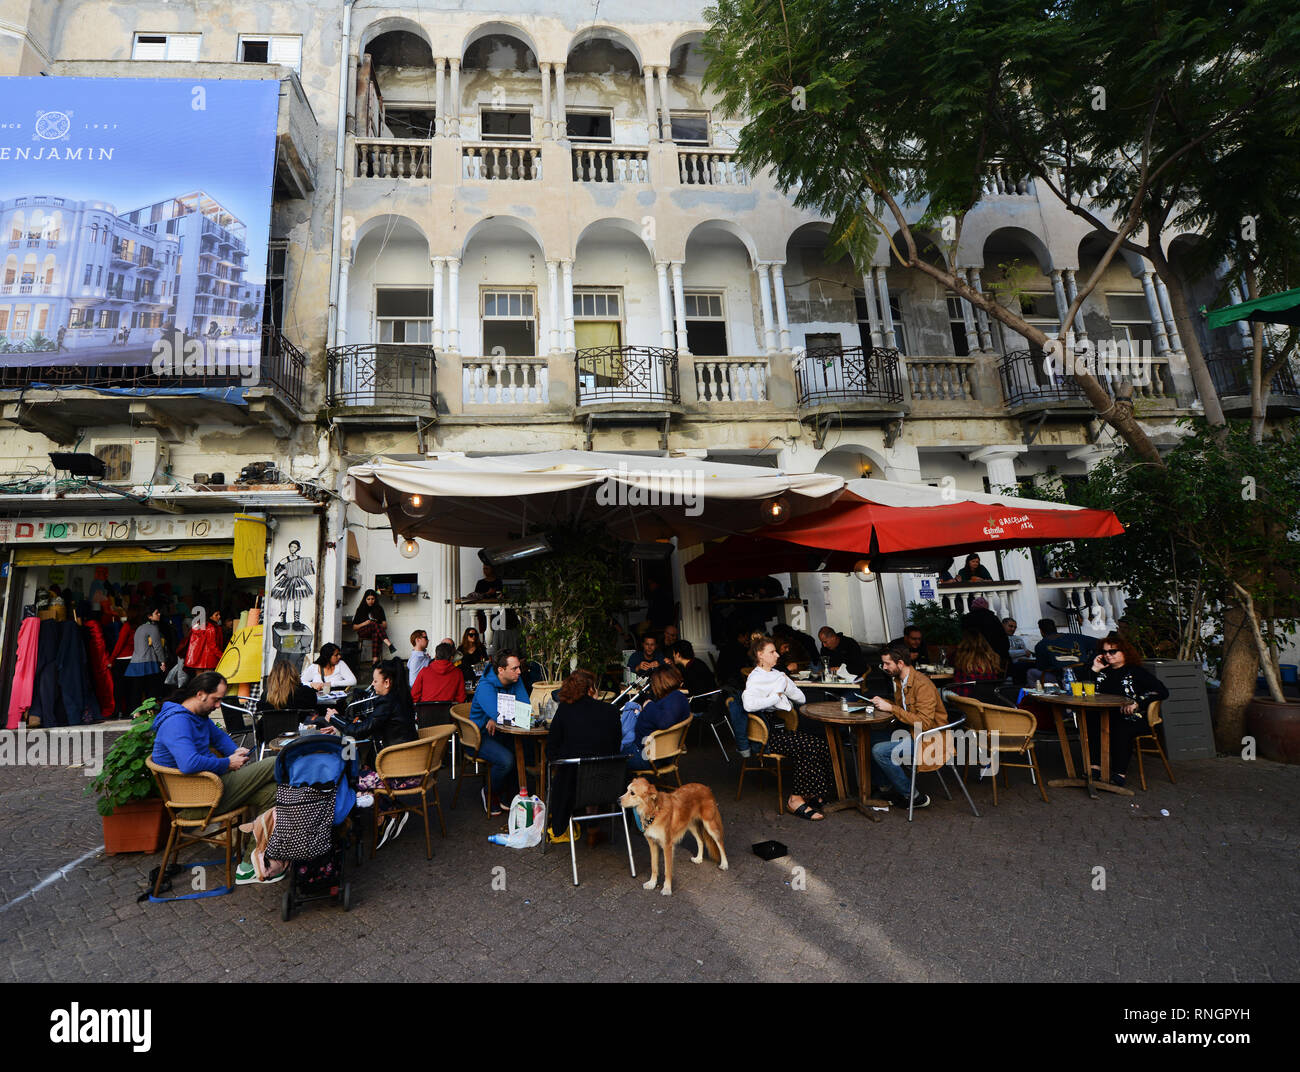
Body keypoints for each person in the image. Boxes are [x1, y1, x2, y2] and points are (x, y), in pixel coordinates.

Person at [151, 671, 283, 884]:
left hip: (211, 789)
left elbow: (220, 737)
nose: (219, 705)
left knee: (276, 793)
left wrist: (235, 751)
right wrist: (228, 763)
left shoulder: (196, 716)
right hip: (198, 800)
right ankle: (313, 786)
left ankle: (251, 865)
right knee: (275, 763)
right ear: (201, 694)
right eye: (217, 699)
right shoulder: (177, 722)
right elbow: (188, 763)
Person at [741, 636, 835, 820]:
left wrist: (784, 684)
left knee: (820, 744)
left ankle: (812, 793)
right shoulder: (755, 677)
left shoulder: (777, 674)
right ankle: (795, 800)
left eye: (776, 651)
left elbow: (801, 698)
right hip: (767, 733)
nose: (777, 654)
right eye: (772, 652)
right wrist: (775, 697)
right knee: (808, 747)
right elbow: (748, 705)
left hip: (781, 727)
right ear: (760, 655)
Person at [869, 644, 949, 810]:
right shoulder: (900, 680)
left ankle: (912, 796)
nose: (884, 667)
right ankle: (885, 787)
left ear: (900, 663)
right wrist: (884, 703)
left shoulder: (922, 684)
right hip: (911, 733)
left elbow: (925, 723)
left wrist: (891, 708)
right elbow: (905, 709)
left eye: (887, 664)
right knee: (872, 738)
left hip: (929, 738)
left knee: (880, 750)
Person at [546, 669, 622, 842]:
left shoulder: (565, 710)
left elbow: (551, 748)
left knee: (570, 767)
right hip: (609, 782)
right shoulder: (611, 711)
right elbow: (615, 746)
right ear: (590, 689)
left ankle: (563, 822)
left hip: (572, 785)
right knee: (591, 765)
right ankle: (593, 826)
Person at [1085, 632, 1170, 787]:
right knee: (1091, 720)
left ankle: (1119, 773)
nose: (1108, 655)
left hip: (1132, 716)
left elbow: (1161, 691)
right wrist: (1094, 669)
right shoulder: (1102, 671)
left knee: (1121, 727)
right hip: (1105, 714)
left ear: (1125, 652)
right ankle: (1095, 767)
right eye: (1104, 652)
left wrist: (1138, 703)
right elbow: (1087, 690)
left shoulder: (1136, 671)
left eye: (1112, 651)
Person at [467, 650, 531, 814]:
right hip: (478, 736)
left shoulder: (515, 679)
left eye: (519, 668)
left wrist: (497, 717)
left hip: (502, 732)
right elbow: (500, 714)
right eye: (515, 668)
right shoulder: (485, 686)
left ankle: (509, 792)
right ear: (501, 670)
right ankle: (490, 792)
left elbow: (525, 708)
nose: (519, 672)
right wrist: (497, 716)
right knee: (507, 760)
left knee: (527, 750)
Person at [626, 664, 690, 762]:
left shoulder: (675, 698)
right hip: (652, 752)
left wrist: (649, 705)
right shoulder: (675, 698)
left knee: (612, 752)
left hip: (647, 755)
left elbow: (664, 722)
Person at [123, 605, 167, 713]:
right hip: (148, 663)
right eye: (156, 613)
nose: (159, 614)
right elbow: (157, 646)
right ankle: (150, 712)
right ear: (149, 616)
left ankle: (136, 713)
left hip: (135, 663)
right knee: (151, 690)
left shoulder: (139, 628)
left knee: (137, 691)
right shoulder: (153, 628)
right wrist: (162, 661)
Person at [1031, 619, 1096, 686]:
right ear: (1055, 628)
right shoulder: (1076, 637)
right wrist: (1090, 660)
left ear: (1041, 631)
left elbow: (1041, 667)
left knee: (1030, 672)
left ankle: (1037, 694)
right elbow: (1100, 643)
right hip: (1085, 674)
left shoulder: (1041, 645)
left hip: (1060, 678)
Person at [950, 628, 1005, 700]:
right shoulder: (992, 657)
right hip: (989, 698)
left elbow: (949, 663)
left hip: (965, 699)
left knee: (938, 692)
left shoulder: (962, 657)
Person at [961, 597, 1010, 671]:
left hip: (971, 660)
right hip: (994, 660)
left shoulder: (967, 619)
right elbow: (1004, 641)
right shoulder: (993, 619)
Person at [351, 589, 393, 663]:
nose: (370, 601)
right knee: (372, 624)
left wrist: (376, 624)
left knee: (376, 633)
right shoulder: (360, 609)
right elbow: (354, 627)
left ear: (375, 599)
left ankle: (374, 661)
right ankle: (389, 644)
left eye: (372, 599)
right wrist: (365, 623)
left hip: (376, 631)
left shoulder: (379, 609)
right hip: (363, 631)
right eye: (368, 599)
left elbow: (385, 625)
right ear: (365, 599)